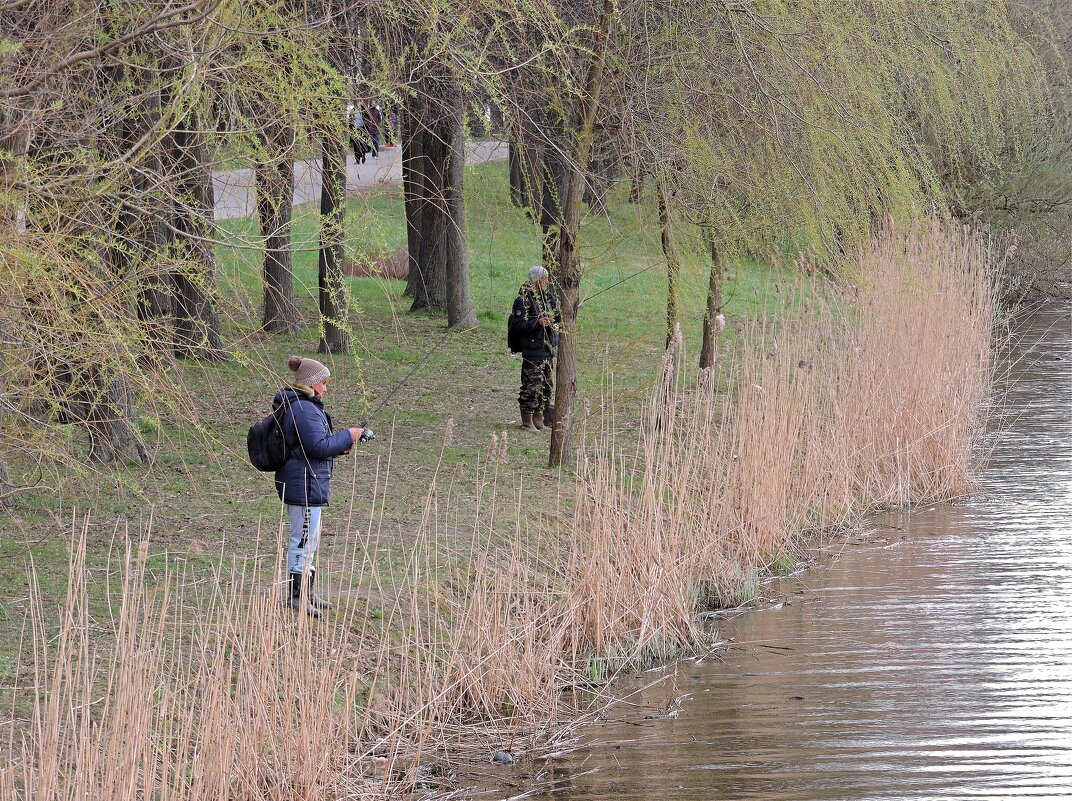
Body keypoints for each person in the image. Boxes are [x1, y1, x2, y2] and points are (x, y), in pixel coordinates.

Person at [273, 355, 365, 617]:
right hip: (303, 484)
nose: (326, 388)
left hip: (309, 482)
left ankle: (308, 593)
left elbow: (317, 447)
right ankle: (296, 596)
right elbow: (317, 446)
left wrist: (342, 445)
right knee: (302, 540)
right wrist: (349, 435)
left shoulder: (305, 408)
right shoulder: (303, 409)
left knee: (309, 540)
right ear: (312, 383)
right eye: (324, 383)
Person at [511, 265, 560, 432]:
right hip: (532, 350)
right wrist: (537, 323)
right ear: (535, 281)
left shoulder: (549, 298)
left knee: (546, 386)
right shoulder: (522, 301)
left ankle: (539, 418)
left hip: (547, 349)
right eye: (543, 279)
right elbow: (518, 326)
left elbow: (556, 316)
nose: (546, 282)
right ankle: (527, 421)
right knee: (531, 387)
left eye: (547, 279)